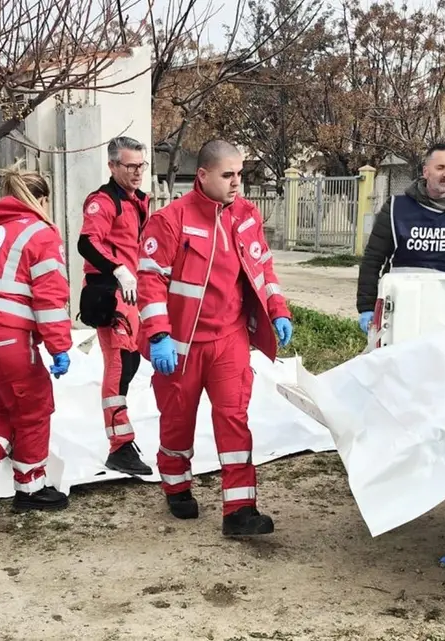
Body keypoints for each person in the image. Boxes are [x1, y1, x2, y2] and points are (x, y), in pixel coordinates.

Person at [136, 139, 294, 537]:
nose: (237, 183)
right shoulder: (170, 220)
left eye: (240, 174)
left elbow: (263, 268)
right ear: (203, 176)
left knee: (234, 419)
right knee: (177, 420)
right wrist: (158, 335)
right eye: (228, 175)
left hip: (230, 339)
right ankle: (176, 485)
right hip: (181, 346)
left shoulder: (245, 215)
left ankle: (240, 509)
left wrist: (278, 310)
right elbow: (150, 280)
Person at [0, 169, 74, 515]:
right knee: (35, 407)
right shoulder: (41, 233)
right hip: (5, 341)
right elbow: (50, 299)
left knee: (4, 409)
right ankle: (31, 487)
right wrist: (59, 347)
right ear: (43, 200)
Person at [76, 136, 154, 477]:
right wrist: (117, 269)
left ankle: (120, 439)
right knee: (120, 365)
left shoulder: (137, 201)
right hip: (111, 293)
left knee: (131, 362)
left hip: (131, 295)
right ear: (112, 166)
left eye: (141, 165)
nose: (138, 172)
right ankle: (120, 445)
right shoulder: (104, 202)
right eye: (130, 166)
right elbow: (86, 242)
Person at [355, 142, 445, 332]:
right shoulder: (396, 209)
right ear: (426, 172)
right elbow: (372, 260)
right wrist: (367, 307)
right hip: (399, 308)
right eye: (440, 167)